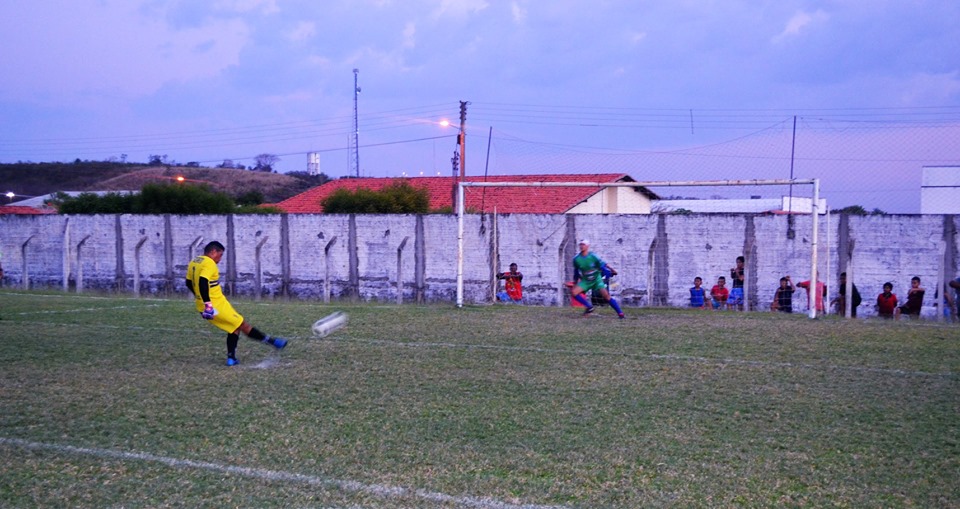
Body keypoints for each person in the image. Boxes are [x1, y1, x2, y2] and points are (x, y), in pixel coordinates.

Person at [186, 241, 288, 366]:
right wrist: (208, 304)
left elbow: (188, 282)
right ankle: (273, 342)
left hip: (206, 305)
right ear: (213, 252)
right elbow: (202, 281)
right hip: (214, 305)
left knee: (233, 327)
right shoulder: (209, 263)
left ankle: (231, 358)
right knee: (242, 325)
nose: (220, 258)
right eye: (220, 254)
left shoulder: (195, 261)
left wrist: (200, 298)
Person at [570, 240, 625, 318]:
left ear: (588, 246)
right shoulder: (576, 259)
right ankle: (589, 307)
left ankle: (620, 314)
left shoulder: (593, 256)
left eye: (583, 244)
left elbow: (602, 266)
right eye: (580, 244)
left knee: (606, 296)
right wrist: (575, 282)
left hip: (596, 279)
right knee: (574, 292)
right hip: (586, 280)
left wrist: (609, 273)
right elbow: (576, 271)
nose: (581, 246)